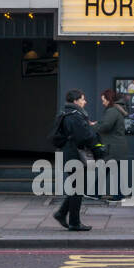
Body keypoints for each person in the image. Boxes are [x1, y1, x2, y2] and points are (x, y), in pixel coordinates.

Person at [52, 89, 96, 231]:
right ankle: (74, 222)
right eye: (83, 99)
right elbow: (83, 137)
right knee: (78, 189)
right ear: (76, 101)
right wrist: (95, 144)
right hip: (75, 155)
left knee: (76, 188)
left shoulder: (64, 113)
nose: (85, 101)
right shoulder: (75, 116)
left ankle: (61, 213)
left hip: (69, 154)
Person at [95, 89, 130, 200]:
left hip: (112, 147)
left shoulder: (112, 111)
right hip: (117, 146)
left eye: (103, 100)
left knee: (104, 170)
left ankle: (94, 193)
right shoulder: (117, 110)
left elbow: (106, 127)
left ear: (108, 99)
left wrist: (94, 126)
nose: (103, 102)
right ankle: (118, 195)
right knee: (115, 171)